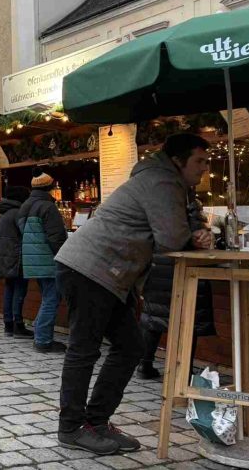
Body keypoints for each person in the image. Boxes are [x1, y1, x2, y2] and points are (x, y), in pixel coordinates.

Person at [54, 133, 212, 455]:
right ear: (178, 161)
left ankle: (96, 421)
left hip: (104, 273)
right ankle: (71, 427)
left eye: (207, 162)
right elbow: (171, 238)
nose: (205, 169)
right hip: (89, 268)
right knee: (84, 350)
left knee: (130, 346)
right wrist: (193, 235)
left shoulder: (170, 184)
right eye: (200, 161)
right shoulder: (162, 182)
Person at [137, 194, 214, 380]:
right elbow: (200, 237)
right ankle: (184, 371)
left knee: (153, 318)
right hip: (183, 267)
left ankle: (144, 365)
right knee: (189, 320)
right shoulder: (188, 204)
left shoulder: (151, 203)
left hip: (157, 266)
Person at [17, 169, 68, 353]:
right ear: (50, 186)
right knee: (51, 299)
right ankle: (43, 340)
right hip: (48, 260)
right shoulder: (47, 207)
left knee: (47, 298)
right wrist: (64, 258)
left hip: (32, 262)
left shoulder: (25, 206)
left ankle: (40, 333)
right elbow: (56, 237)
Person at [0, 186, 33, 338]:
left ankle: (8, 324)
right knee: (20, 290)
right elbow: (27, 234)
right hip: (17, 257)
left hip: (5, 258)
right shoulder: (18, 213)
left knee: (9, 289)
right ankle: (18, 324)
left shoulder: (3, 214)